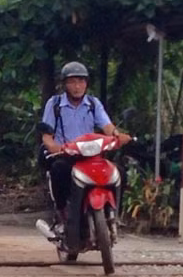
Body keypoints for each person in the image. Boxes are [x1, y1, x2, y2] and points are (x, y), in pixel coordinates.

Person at [38, 61, 131, 234]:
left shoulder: (93, 104)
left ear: (86, 83)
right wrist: (54, 147)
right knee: (58, 170)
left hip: (91, 156)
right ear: (65, 84)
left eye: (81, 81)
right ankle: (61, 213)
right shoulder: (55, 104)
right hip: (66, 155)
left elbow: (108, 127)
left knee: (119, 172)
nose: (77, 86)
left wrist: (118, 136)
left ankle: (114, 213)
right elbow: (47, 137)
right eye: (72, 82)